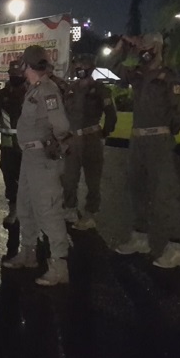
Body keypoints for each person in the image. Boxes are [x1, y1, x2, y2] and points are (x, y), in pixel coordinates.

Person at [108, 33, 180, 268]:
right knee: (137, 190)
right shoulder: (139, 74)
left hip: (158, 141)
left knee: (164, 194)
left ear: (158, 47)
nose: (142, 49)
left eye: (146, 46)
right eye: (140, 46)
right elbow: (111, 65)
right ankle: (140, 238)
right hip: (137, 141)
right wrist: (122, 46)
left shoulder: (169, 77)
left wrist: (167, 131)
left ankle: (176, 248)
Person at [2, 45, 71, 286]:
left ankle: (59, 265)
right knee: (26, 206)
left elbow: (61, 126)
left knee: (48, 210)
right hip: (30, 158)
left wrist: (56, 144)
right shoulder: (35, 89)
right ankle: (28, 253)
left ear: (27, 65)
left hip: (42, 159)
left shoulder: (48, 90)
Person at [62, 53, 118, 230]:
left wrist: (104, 133)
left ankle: (90, 213)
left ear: (91, 67)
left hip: (91, 137)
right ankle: (70, 208)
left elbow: (111, 115)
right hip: (72, 139)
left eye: (83, 64)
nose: (80, 67)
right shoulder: (70, 89)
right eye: (78, 64)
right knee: (69, 178)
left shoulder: (100, 90)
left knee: (92, 179)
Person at [0, 60, 28, 226]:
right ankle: (13, 209)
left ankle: (28, 211)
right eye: (13, 74)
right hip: (8, 146)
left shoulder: (32, 93)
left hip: (28, 146)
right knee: (10, 179)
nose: (16, 77)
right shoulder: (1, 95)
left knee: (29, 180)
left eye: (18, 75)